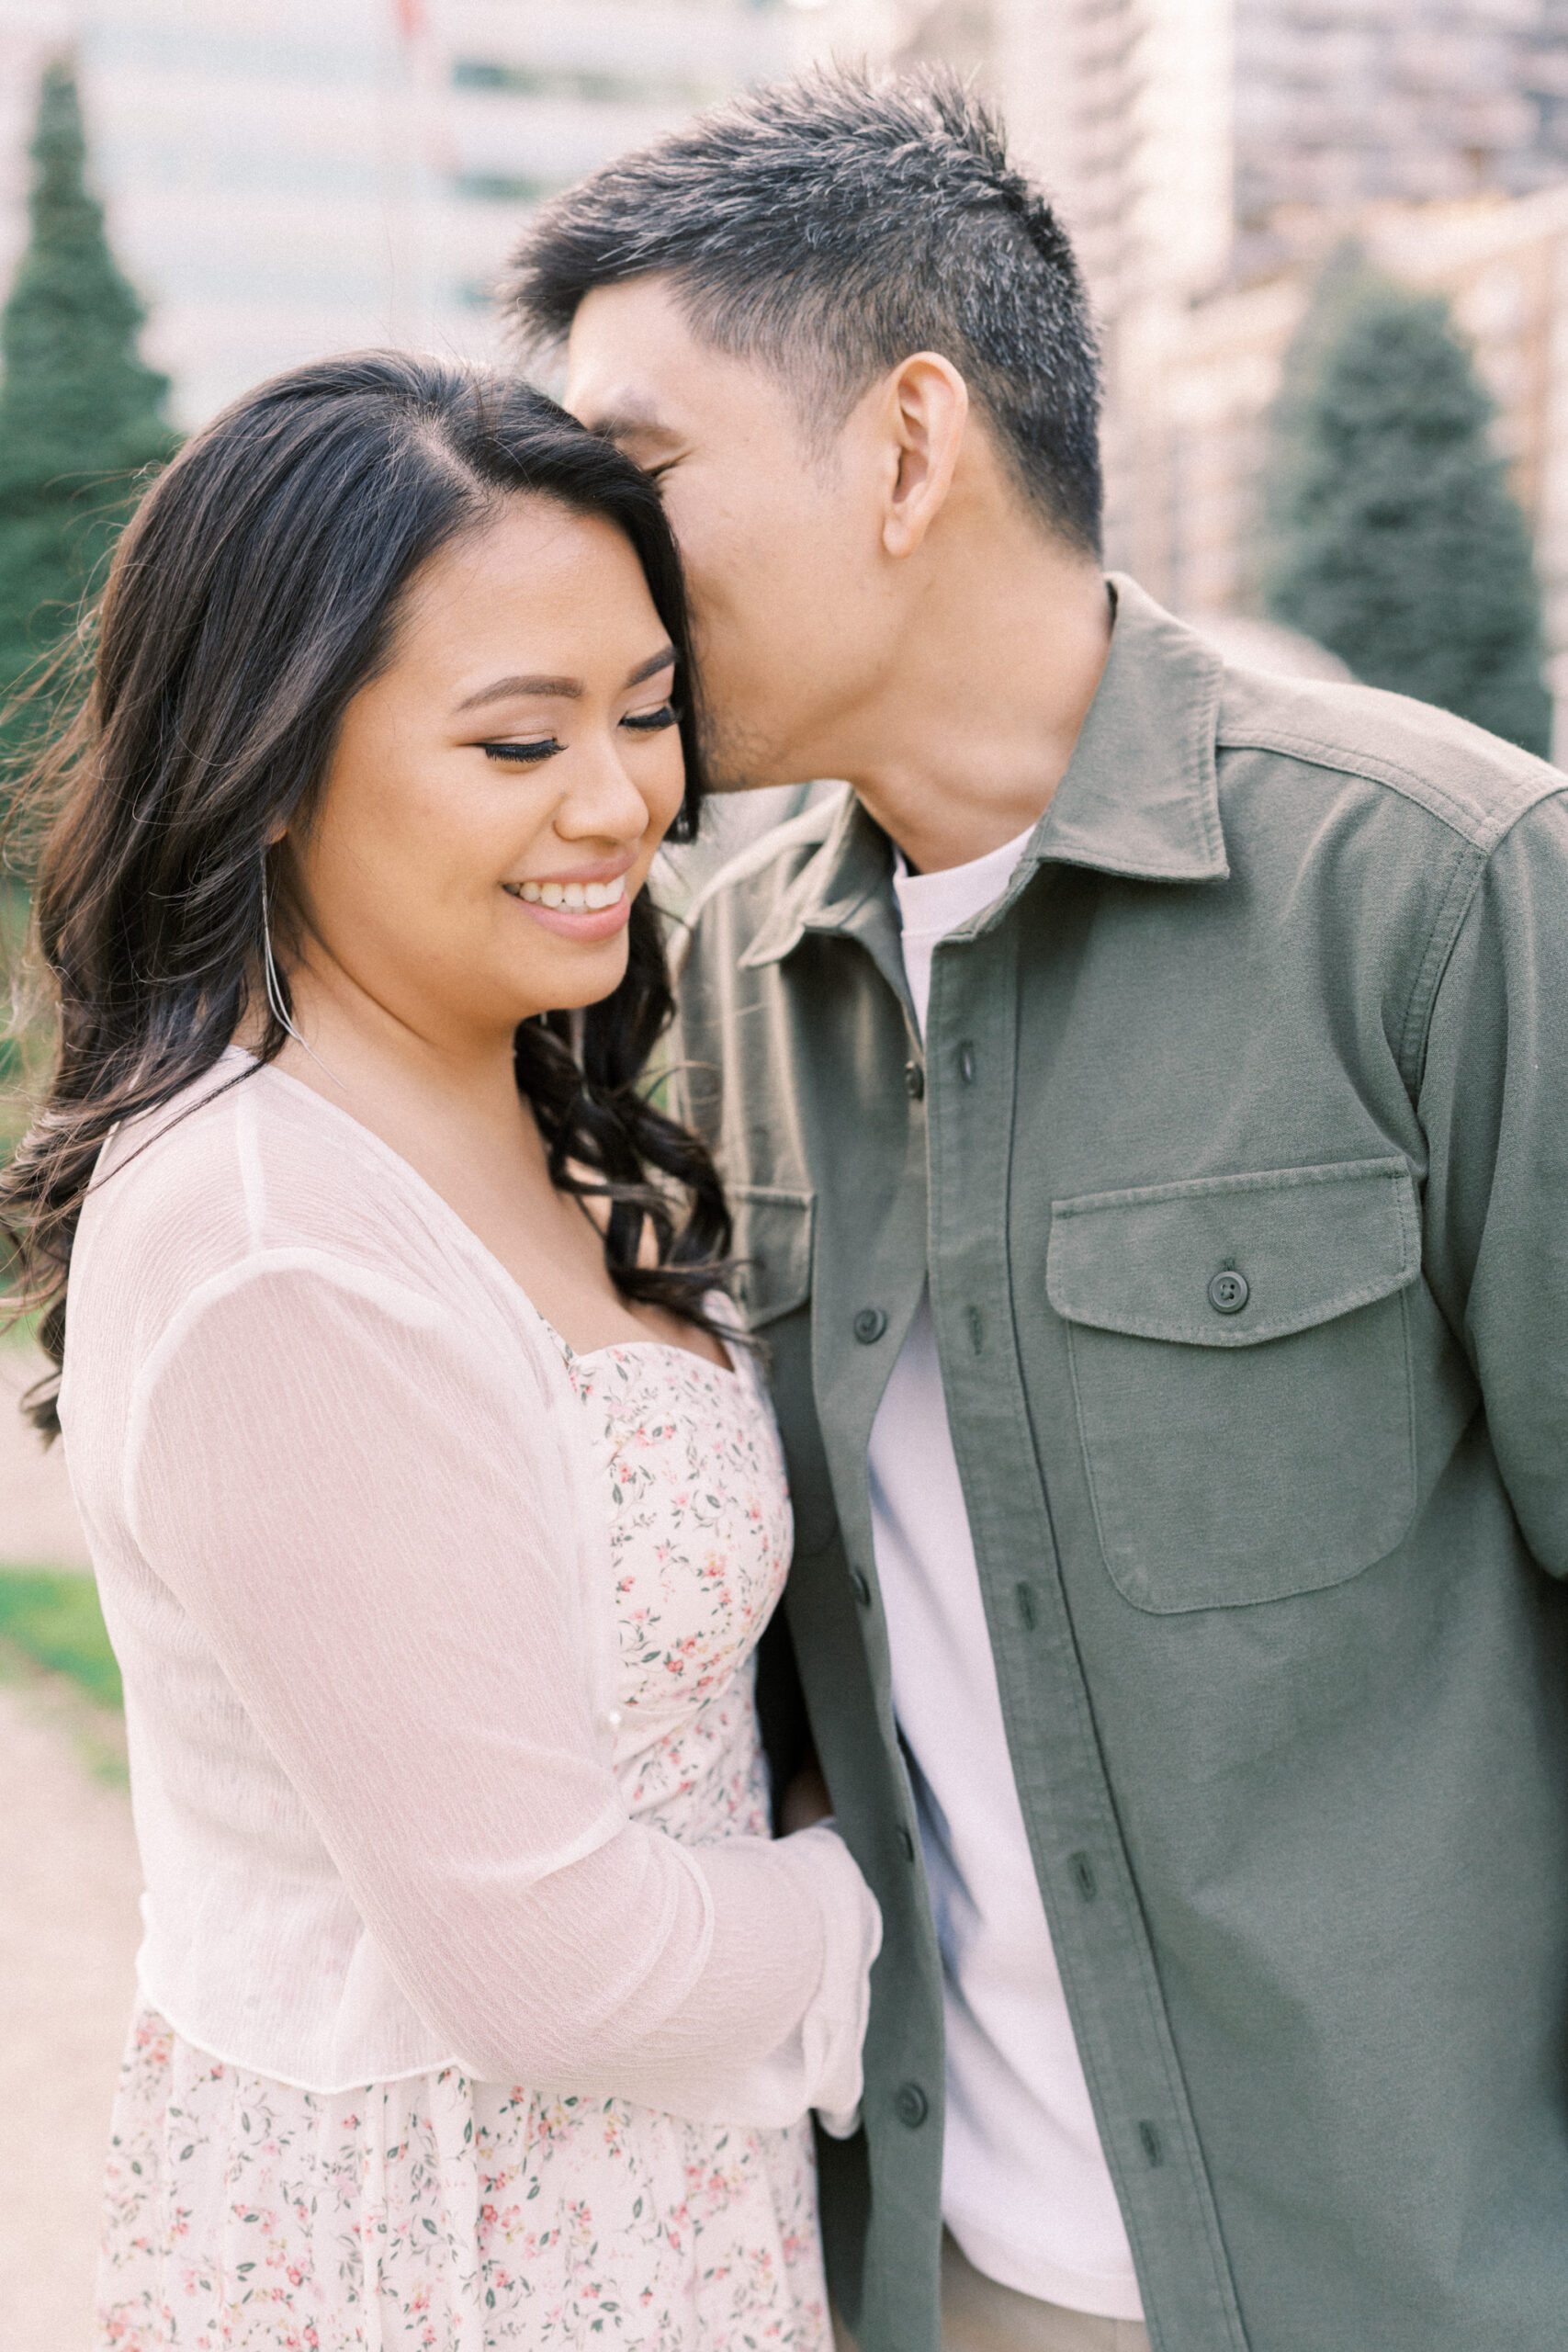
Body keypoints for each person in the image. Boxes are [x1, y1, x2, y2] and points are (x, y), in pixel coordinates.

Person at [510, 64, 1568, 2352]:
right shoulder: (702, 980)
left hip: (1418, 2291)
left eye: (638, 470)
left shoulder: (1443, 891)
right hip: (937, 2288)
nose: (584, 552)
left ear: (904, 447)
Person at [0, 354, 880, 2349]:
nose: (618, 800)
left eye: (648, 714)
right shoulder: (269, 1248)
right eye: (515, 740)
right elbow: (551, 1959)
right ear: (276, 756)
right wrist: (909, 1891)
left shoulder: (511, 1086)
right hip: (446, 2256)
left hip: (647, 2213)